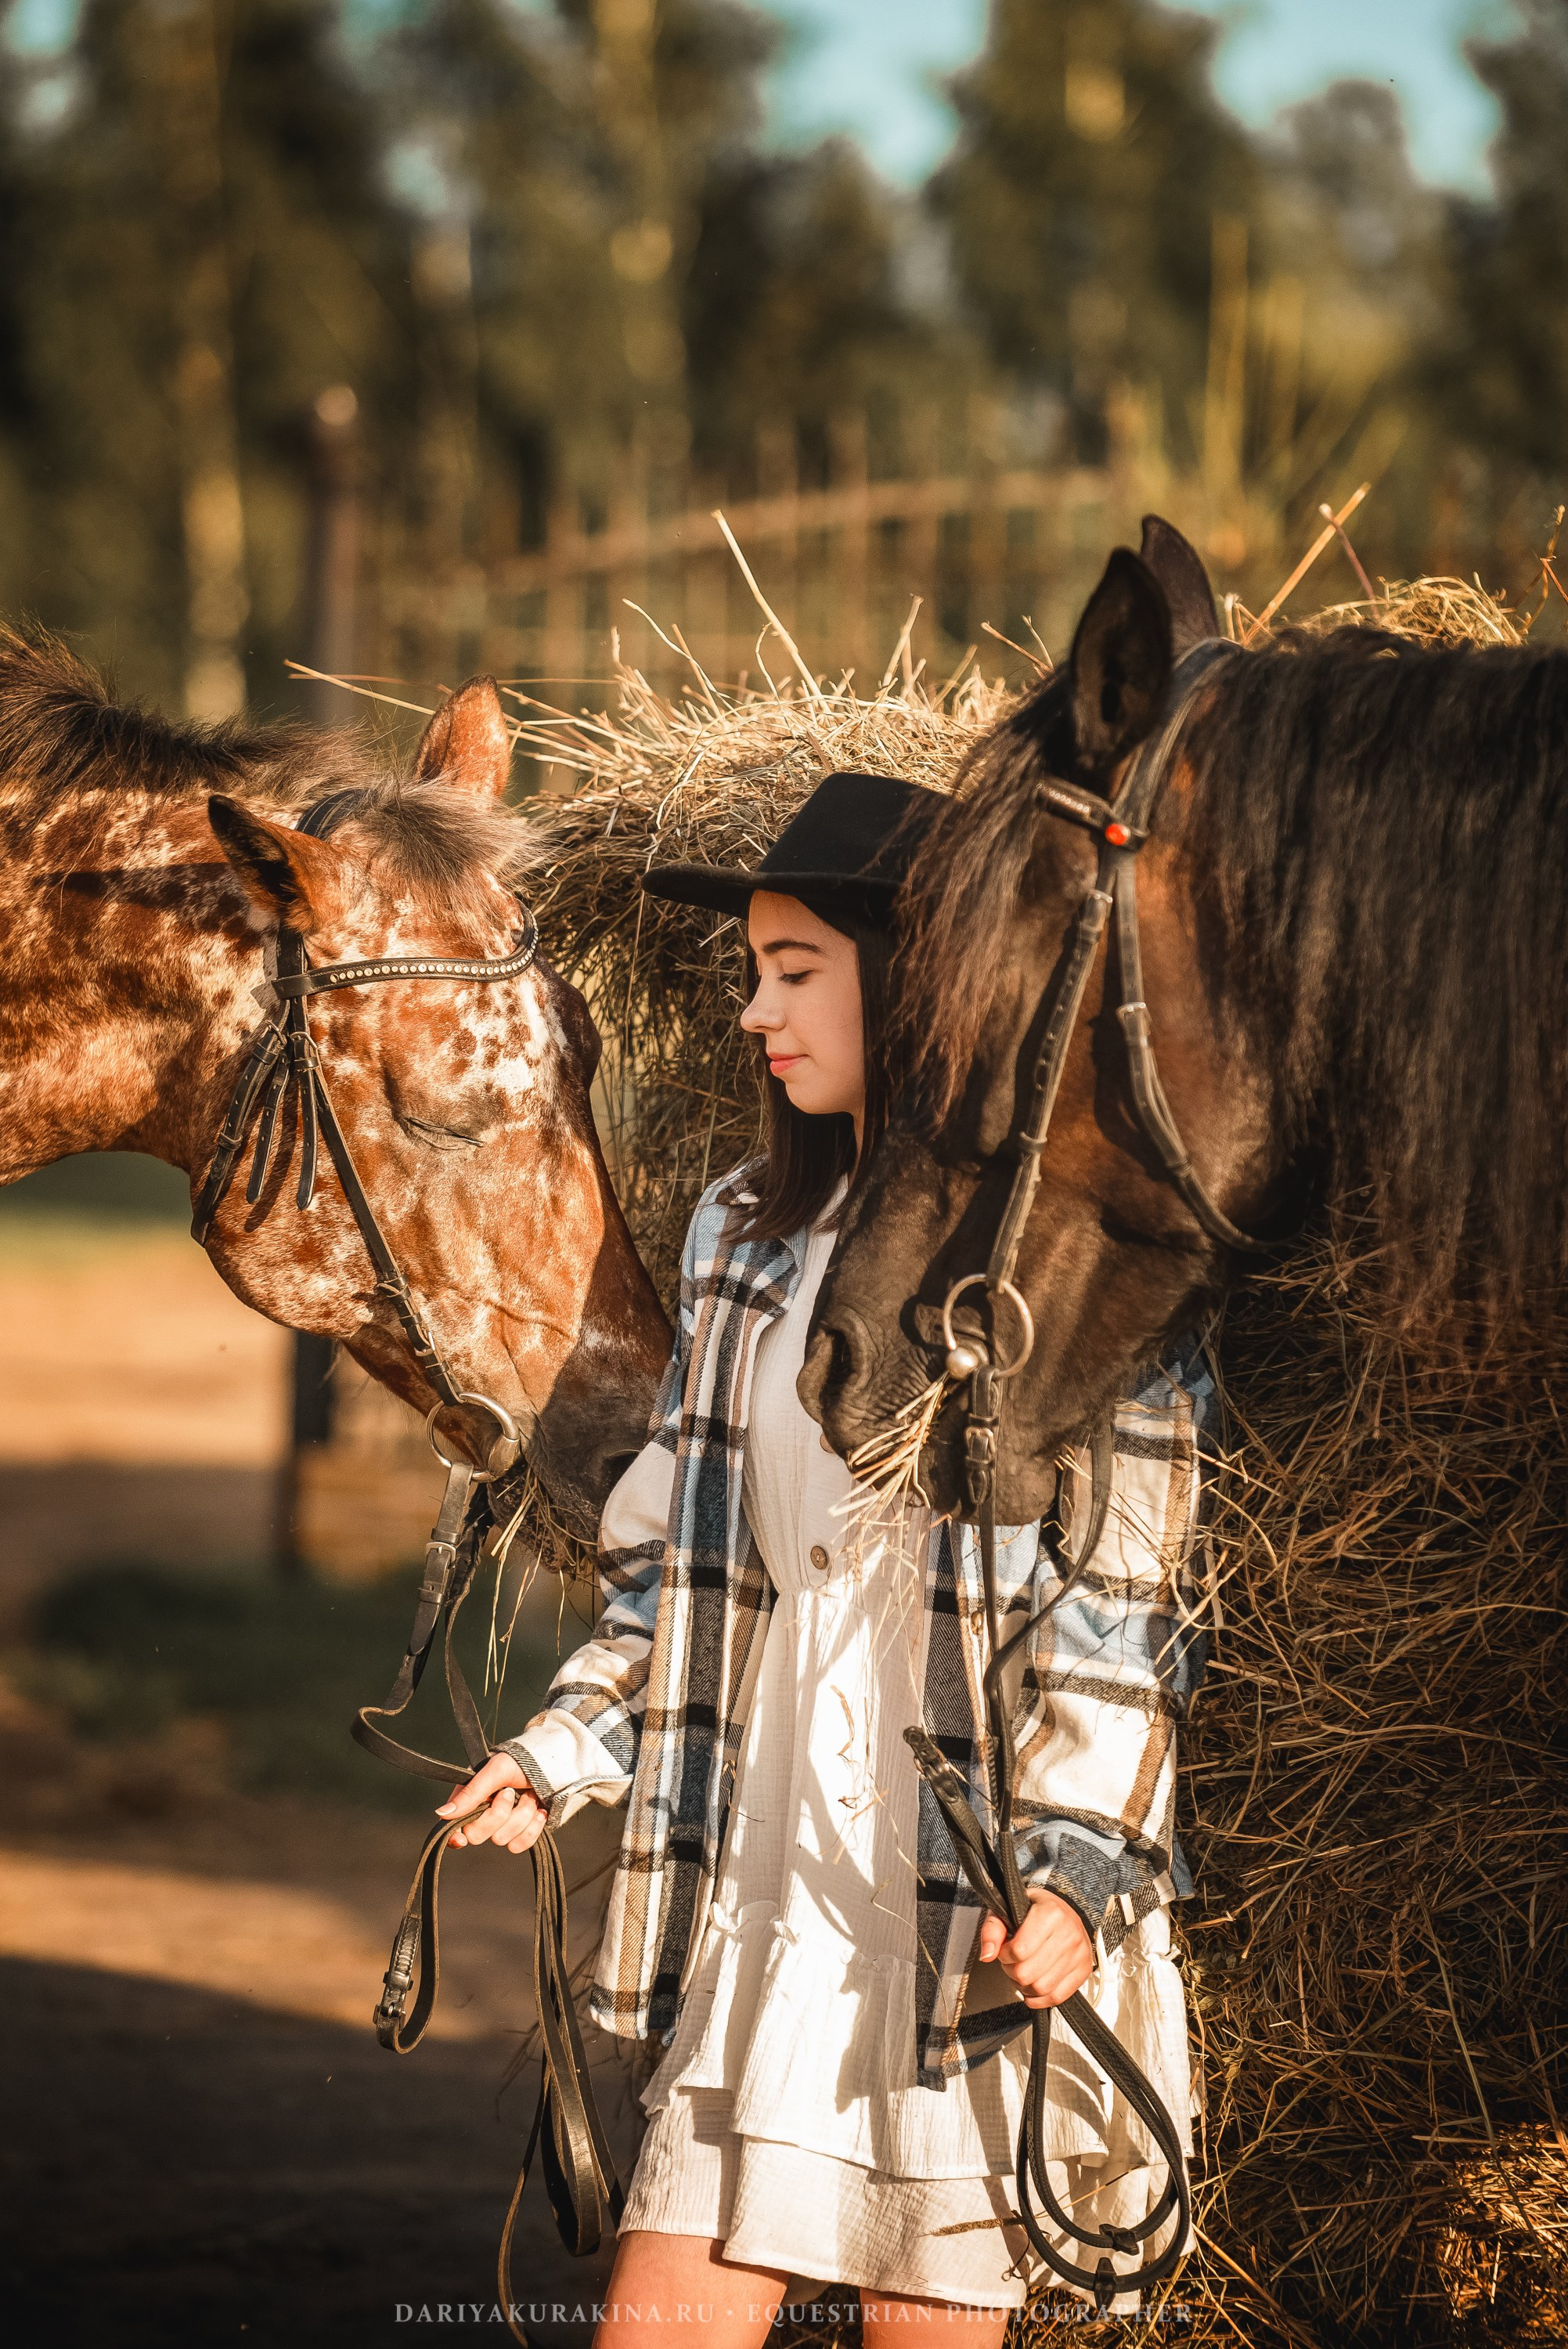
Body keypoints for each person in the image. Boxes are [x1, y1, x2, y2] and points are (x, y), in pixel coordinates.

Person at [441, 773, 1212, 2344]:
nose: (753, 1013)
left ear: (921, 980)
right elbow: (687, 1566)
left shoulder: (1083, 1248)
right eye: (754, 973)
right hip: (768, 1872)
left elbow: (1125, 1609)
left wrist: (1078, 1870)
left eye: (793, 971)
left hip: (961, 1912)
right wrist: (564, 1746)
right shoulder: (745, 1231)